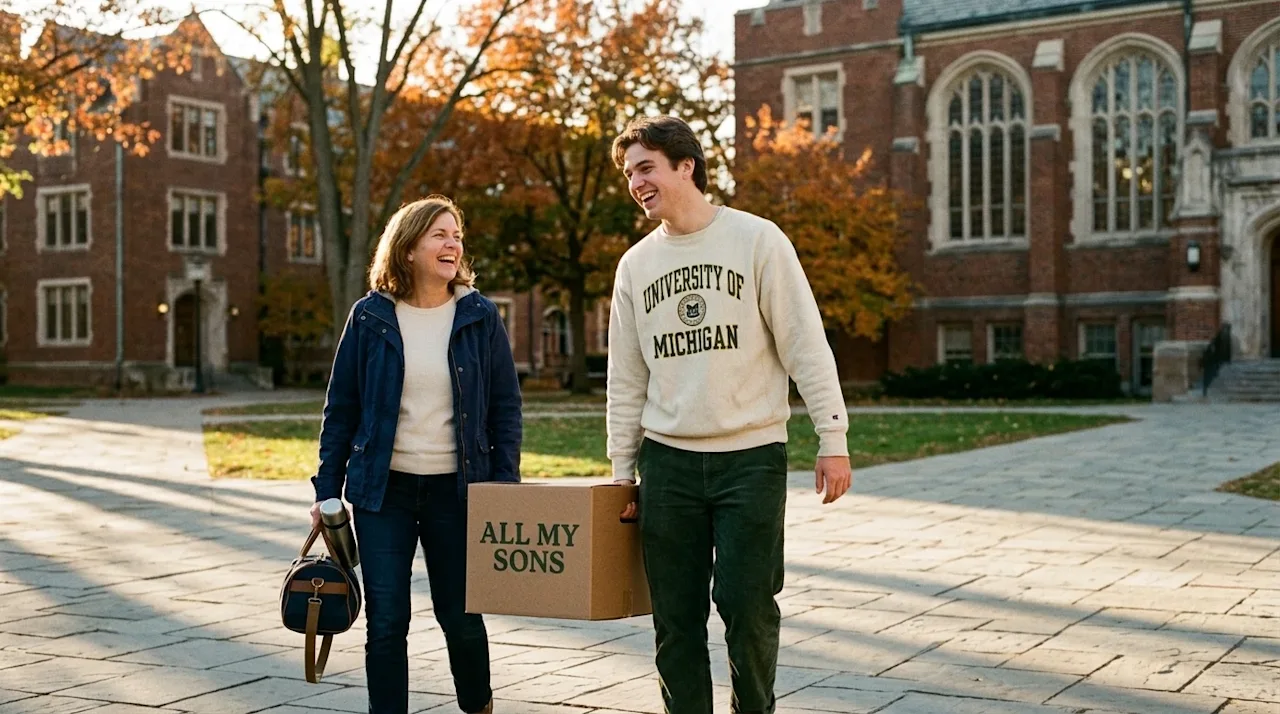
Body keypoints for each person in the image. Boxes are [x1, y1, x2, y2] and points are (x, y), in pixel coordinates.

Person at [606, 116, 853, 714]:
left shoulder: (757, 240)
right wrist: (622, 469)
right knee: (676, 619)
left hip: (752, 459)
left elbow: (804, 343)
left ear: (685, 165)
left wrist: (834, 436)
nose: (636, 182)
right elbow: (626, 378)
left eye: (645, 167)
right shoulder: (635, 267)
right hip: (669, 465)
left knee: (747, 607)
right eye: (628, 173)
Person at [310, 195, 521, 714]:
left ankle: (479, 706)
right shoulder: (370, 317)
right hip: (385, 493)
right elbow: (341, 408)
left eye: (456, 236)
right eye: (440, 235)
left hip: (458, 490)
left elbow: (505, 408)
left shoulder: (478, 314)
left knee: (461, 617)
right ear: (407, 248)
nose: (453, 244)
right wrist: (325, 492)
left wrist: (505, 489)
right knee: (386, 622)